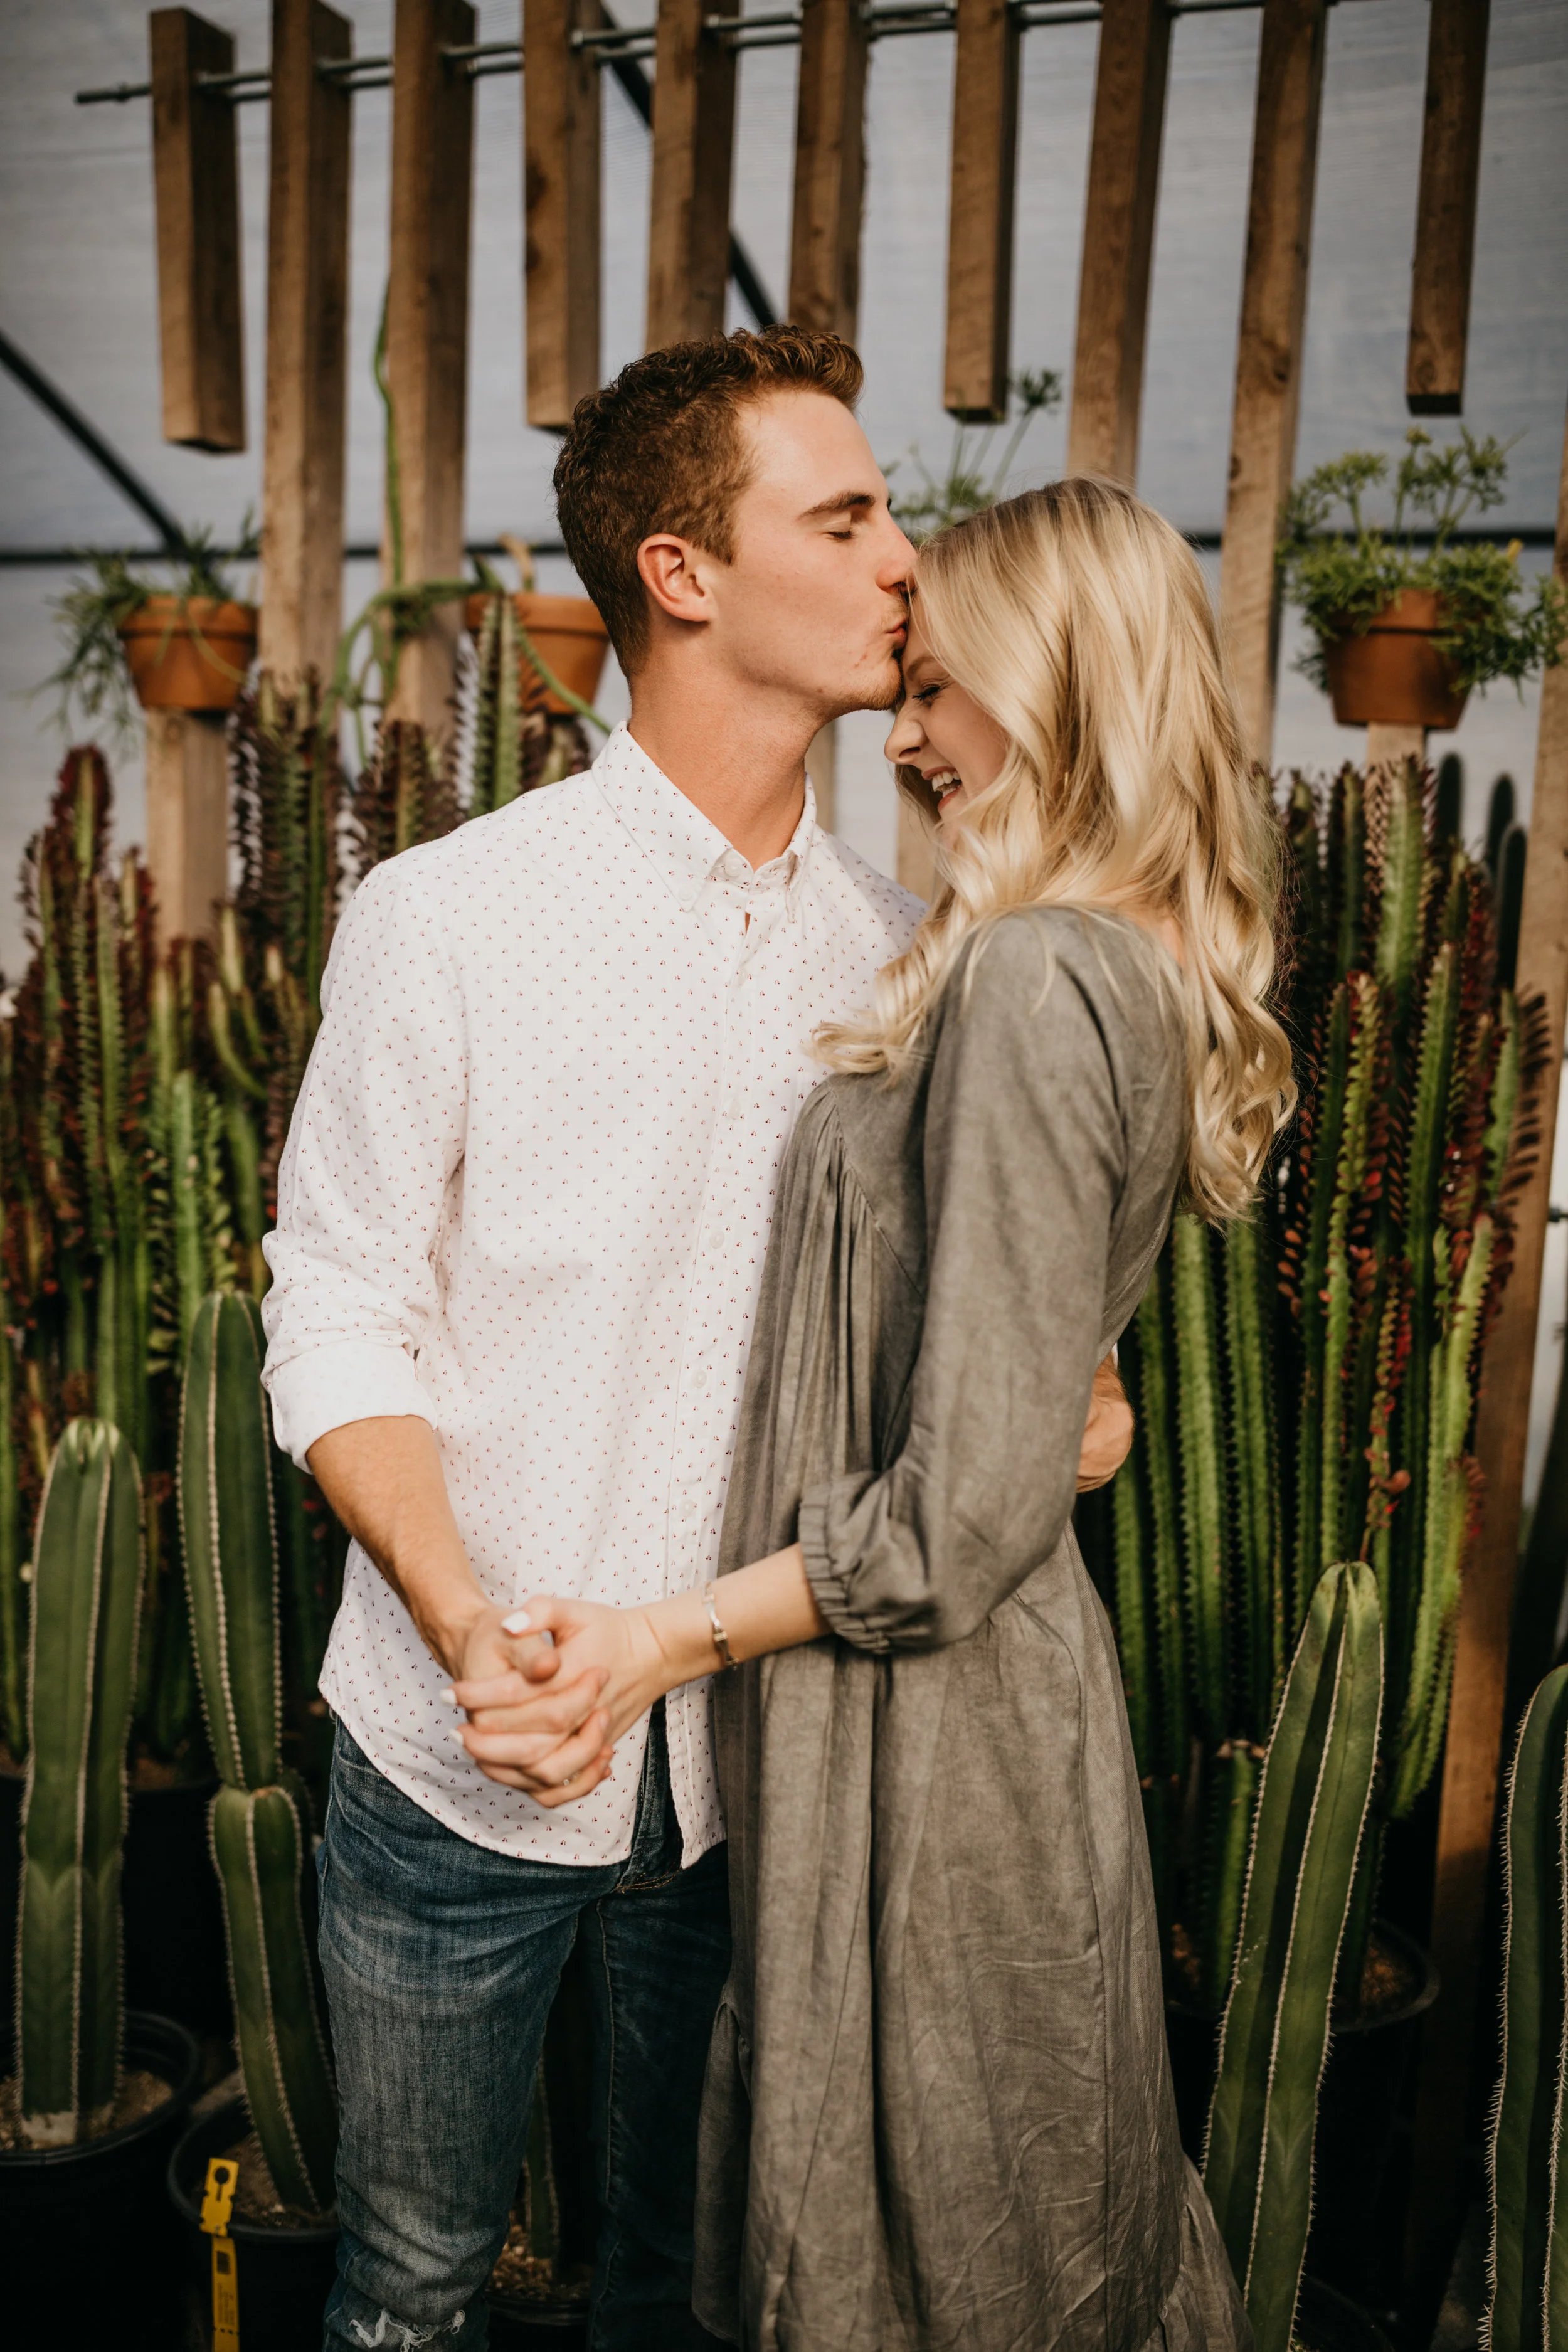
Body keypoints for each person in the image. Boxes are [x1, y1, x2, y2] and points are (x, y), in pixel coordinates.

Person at [260, 328, 1130, 2352]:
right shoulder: (449, 915)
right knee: (403, 2292)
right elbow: (341, 1296)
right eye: (844, 516)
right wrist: (469, 1619)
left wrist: (1055, 1408)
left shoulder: (903, 961)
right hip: (449, 1755)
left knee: (691, 2291)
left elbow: (972, 1347)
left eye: (893, 511)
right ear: (683, 574)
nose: (905, 557)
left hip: (761, 1781)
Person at [453, 477, 1295, 2350]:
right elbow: (1015, 1390)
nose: (905, 742)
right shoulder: (1110, 961)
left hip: (935, 1731)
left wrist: (653, 1638)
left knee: (916, 2249)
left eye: (938, 691)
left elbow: (951, 1520)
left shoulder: (1028, 972)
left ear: (1058, 685)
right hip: (962, 1711)